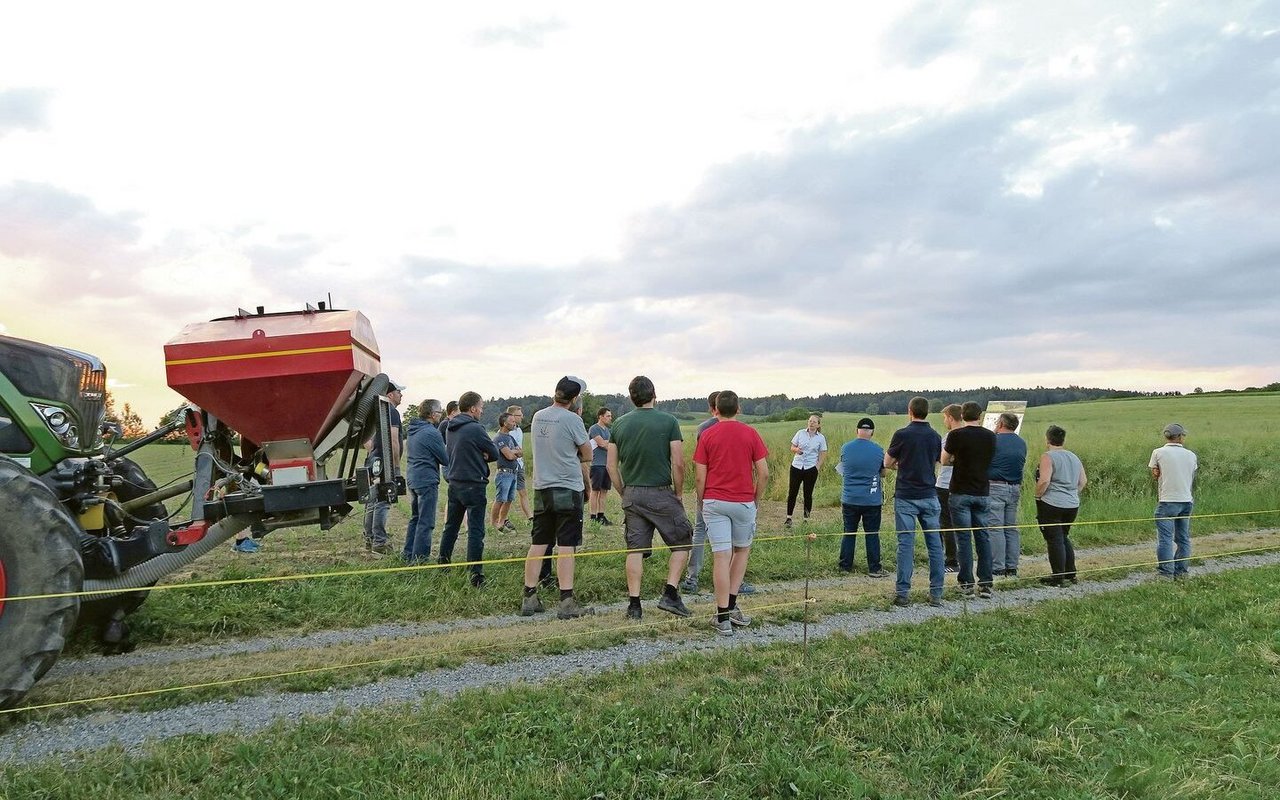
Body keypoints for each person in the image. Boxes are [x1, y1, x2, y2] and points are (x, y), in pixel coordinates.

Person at [606, 375, 694, 621]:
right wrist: (678, 492)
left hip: (632, 492)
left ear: (631, 397)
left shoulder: (619, 424)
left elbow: (611, 467)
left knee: (635, 549)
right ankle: (670, 593)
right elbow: (678, 461)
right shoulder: (668, 421)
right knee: (683, 541)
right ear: (654, 394)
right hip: (661, 490)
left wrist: (623, 491)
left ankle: (634, 604)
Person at [694, 390, 768, 636]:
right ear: (739, 409)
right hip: (743, 501)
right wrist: (756, 499)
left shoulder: (707, 434)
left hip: (714, 500)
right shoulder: (750, 433)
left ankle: (722, 616)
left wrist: (702, 499)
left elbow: (700, 474)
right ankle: (732, 606)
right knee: (741, 551)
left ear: (715, 409)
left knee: (721, 556)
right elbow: (764, 472)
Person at [522, 376, 594, 619]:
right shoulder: (573, 419)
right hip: (567, 487)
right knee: (566, 545)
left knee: (539, 541)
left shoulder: (538, 416)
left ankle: (529, 596)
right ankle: (566, 600)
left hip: (542, 487)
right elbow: (587, 453)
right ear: (574, 399)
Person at [884, 396, 944, 607]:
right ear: (927, 412)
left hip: (906, 495)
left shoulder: (902, 434)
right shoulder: (935, 436)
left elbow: (887, 462)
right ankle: (936, 593)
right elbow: (939, 461)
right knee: (935, 545)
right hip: (929, 494)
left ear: (910, 411)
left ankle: (903, 594)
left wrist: (900, 465)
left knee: (906, 545)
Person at [437, 391, 500, 587]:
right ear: (473, 408)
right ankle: (475, 574)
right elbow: (495, 453)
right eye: (481, 406)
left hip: (455, 482)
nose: (482, 410)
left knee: (451, 527)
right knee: (475, 530)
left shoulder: (450, 427)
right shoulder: (475, 428)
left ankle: (443, 564)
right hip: (474, 483)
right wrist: (483, 454)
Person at [941, 401, 996, 598]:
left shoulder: (956, 435)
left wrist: (956, 459)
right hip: (982, 491)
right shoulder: (990, 436)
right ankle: (986, 583)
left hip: (960, 492)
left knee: (963, 539)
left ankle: (966, 584)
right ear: (980, 416)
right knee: (983, 537)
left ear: (962, 415)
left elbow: (945, 459)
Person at [1034, 425, 1087, 586]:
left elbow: (1044, 480)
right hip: (1072, 504)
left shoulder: (1048, 457)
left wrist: (1038, 496)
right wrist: (1072, 493)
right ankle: (1070, 573)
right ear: (1063, 440)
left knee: (1054, 539)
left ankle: (1058, 576)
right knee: (1063, 536)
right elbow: (1083, 481)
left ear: (1047, 439)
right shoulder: (1074, 457)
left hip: (1052, 503)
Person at [679, 391, 720, 593]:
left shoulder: (703, 428)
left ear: (710, 407)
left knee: (700, 530)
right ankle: (730, 578)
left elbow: (701, 461)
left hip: (709, 485)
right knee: (728, 537)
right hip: (731, 489)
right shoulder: (741, 428)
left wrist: (700, 492)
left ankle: (692, 578)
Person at [836, 417, 886, 577]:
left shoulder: (845, 448)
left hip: (849, 498)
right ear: (872, 432)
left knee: (849, 532)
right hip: (871, 499)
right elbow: (883, 472)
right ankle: (874, 568)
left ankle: (845, 566)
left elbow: (842, 469)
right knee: (872, 533)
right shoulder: (879, 450)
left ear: (857, 431)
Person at [1150, 422, 1198, 579]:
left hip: (1167, 500)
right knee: (1183, 538)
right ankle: (1181, 572)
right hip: (1186, 500)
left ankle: (1165, 573)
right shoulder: (1191, 455)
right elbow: (1190, 475)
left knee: (1165, 539)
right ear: (1180, 437)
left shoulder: (1158, 452)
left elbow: (1155, 474)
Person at [403, 398, 447, 564]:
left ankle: (408, 555)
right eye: (440, 412)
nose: (441, 415)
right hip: (427, 480)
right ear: (433, 414)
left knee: (415, 518)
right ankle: (420, 560)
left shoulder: (413, 429)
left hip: (413, 478)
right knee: (426, 522)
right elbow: (445, 459)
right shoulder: (431, 432)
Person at [362, 381, 404, 557]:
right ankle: (380, 542)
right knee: (383, 502)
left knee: (372, 502)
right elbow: (393, 440)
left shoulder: (375, 413)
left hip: (374, 462)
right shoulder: (391, 412)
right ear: (390, 395)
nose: (401, 395)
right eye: (398, 392)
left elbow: (367, 441)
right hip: (386, 462)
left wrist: (374, 455)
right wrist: (395, 465)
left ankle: (370, 539)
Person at [987, 412, 1027, 578]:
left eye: (997, 421)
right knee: (1011, 528)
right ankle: (1012, 566)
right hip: (1014, 487)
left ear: (1001, 423)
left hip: (995, 486)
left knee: (995, 528)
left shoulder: (993, 440)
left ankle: (997, 567)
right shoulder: (1021, 442)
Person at [785, 414, 828, 527]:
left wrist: (817, 466)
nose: (811, 423)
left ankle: (806, 519)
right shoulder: (800, 433)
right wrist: (796, 450)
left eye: (814, 422)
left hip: (810, 468)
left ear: (818, 424)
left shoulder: (821, 438)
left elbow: (823, 453)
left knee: (807, 494)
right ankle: (789, 518)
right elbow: (792, 447)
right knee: (792, 492)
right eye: (810, 421)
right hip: (797, 466)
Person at [936, 404, 963, 574]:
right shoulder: (970, 434)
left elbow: (943, 459)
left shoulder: (950, 436)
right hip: (962, 484)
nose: (945, 421)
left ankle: (950, 559)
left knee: (945, 523)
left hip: (946, 483)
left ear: (951, 418)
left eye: (945, 417)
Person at [489, 412, 522, 532]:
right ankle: (493, 524)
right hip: (504, 473)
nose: (514, 423)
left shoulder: (511, 437)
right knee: (500, 499)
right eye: (512, 421)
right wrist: (514, 452)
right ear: (504, 423)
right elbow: (509, 456)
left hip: (513, 472)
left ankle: (502, 522)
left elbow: (521, 452)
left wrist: (513, 452)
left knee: (509, 499)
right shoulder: (499, 438)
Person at [506, 404, 533, 524]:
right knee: (507, 494)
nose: (522, 417)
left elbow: (519, 449)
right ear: (512, 416)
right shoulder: (506, 432)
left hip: (519, 465)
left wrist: (519, 453)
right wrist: (517, 452)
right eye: (519, 415)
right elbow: (509, 451)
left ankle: (530, 517)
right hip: (509, 466)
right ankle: (504, 519)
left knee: (523, 491)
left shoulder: (519, 430)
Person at [588, 407, 614, 525]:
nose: (610, 418)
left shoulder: (608, 431)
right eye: (608, 416)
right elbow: (603, 444)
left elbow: (610, 445)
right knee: (595, 491)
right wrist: (608, 443)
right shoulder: (594, 429)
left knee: (604, 491)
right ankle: (593, 516)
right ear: (601, 416)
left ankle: (601, 515)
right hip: (597, 464)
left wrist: (608, 443)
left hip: (606, 464)